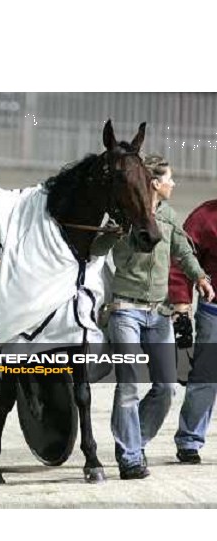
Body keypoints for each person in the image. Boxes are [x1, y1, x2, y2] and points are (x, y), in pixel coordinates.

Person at [92, 154, 214, 480]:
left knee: (166, 387)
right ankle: (130, 457)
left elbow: (184, 252)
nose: (174, 184)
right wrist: (113, 232)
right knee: (130, 383)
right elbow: (97, 248)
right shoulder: (125, 215)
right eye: (169, 179)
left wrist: (200, 277)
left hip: (159, 313)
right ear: (155, 184)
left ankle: (134, 441)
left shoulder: (171, 216)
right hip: (125, 310)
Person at [169, 198, 217, 464]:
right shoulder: (206, 216)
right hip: (214, 313)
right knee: (206, 380)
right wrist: (181, 302)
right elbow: (181, 260)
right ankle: (189, 441)